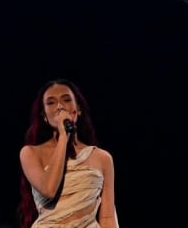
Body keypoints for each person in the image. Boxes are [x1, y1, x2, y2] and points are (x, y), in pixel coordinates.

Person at [18, 78, 119, 228]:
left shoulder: (102, 158)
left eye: (66, 100)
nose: (59, 106)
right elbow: (49, 189)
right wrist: (64, 136)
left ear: (78, 108)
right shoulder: (30, 153)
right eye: (51, 103)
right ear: (44, 115)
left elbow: (108, 217)